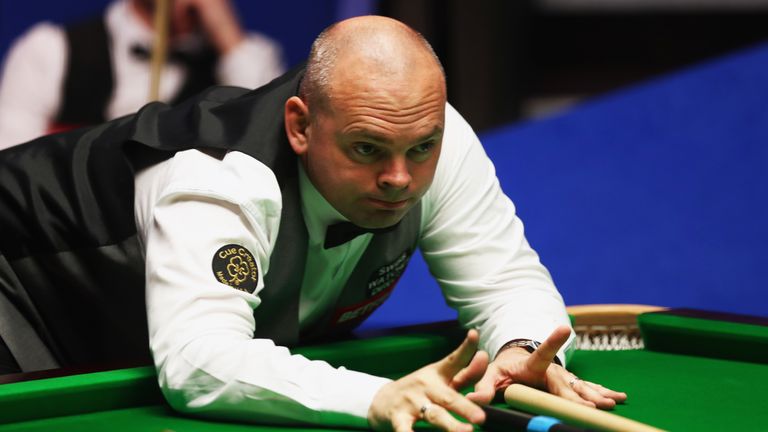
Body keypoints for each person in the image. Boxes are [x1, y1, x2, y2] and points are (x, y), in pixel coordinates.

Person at [0, 15, 626, 431]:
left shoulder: (431, 135)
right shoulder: (219, 177)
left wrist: (519, 349)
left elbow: (507, 282)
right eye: (367, 150)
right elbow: (198, 361)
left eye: (420, 149)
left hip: (112, 329)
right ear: (300, 126)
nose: (400, 178)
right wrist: (375, 396)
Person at [0, 0, 285, 149]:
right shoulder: (50, 49)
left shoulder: (248, 59)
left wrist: (227, 39)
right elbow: (11, 165)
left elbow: (260, 151)